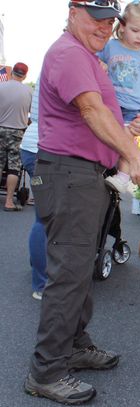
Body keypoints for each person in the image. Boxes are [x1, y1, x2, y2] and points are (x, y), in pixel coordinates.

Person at [23, 1, 140, 405]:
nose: (104, 26)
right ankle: (46, 371)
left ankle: (74, 346)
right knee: (69, 274)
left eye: (109, 20)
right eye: (96, 17)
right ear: (73, 11)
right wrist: (133, 154)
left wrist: (130, 130)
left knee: (79, 269)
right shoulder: (69, 53)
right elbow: (90, 109)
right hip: (69, 175)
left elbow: (100, 114)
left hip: (82, 175)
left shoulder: (86, 55)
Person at [97, 0, 140, 194]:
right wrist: (100, 64)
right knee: (106, 135)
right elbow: (94, 59)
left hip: (134, 109)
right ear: (122, 26)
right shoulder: (110, 47)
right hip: (110, 104)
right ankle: (104, 167)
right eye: (136, 30)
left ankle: (123, 177)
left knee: (126, 142)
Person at [19, 77, 47, 300]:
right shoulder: (68, 61)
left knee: (43, 216)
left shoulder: (54, 60)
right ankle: (41, 282)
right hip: (43, 151)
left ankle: (38, 262)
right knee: (46, 218)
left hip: (32, 148)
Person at [0, 62, 32, 211]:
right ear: (25, 76)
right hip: (17, 132)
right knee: (13, 168)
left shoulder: (1, 87)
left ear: (12, 72)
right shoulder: (28, 91)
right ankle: (8, 202)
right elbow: (31, 115)